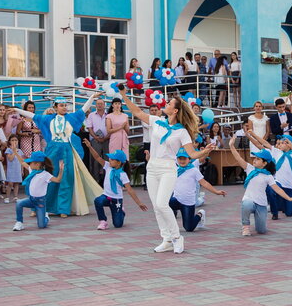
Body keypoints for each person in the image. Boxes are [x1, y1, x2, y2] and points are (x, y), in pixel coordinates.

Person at [120, 92, 208, 253]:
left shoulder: (182, 131)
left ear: (175, 110)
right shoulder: (157, 121)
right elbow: (137, 112)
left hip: (168, 169)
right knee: (156, 206)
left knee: (162, 204)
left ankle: (177, 237)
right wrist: (123, 95)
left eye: (169, 103)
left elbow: (192, 154)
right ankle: (166, 239)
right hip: (152, 167)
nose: (166, 104)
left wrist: (205, 151)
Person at [12, 95, 102, 219]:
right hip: (52, 150)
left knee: (66, 178)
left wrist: (91, 97)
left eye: (65, 105)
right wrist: (16, 110)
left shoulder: (71, 117)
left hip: (66, 150)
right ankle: (38, 206)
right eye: (61, 105)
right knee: (45, 177)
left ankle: (63, 208)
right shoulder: (48, 118)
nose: (64, 107)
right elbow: (32, 115)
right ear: (55, 107)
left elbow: (83, 109)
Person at [228, 140, 292, 236]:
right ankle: (245, 227)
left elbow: (277, 189)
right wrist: (231, 146)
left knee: (261, 230)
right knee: (246, 204)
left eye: (258, 159)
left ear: (264, 163)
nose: (254, 160)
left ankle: (259, 221)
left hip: (261, 203)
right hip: (249, 199)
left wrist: (288, 198)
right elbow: (238, 158)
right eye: (255, 158)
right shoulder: (250, 169)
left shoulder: (268, 176)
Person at [83, 145, 148, 230]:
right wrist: (90, 147)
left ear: (119, 162)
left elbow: (130, 190)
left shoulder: (122, 174)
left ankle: (121, 211)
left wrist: (139, 203)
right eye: (110, 158)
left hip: (117, 200)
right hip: (106, 196)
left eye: (112, 159)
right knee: (98, 201)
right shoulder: (108, 166)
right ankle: (103, 221)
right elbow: (97, 157)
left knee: (118, 224)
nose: (109, 160)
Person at [245, 128, 292, 220]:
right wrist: (252, 134)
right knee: (271, 191)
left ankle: (283, 206)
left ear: (290, 144)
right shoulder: (276, 152)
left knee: (289, 212)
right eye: (279, 143)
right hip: (277, 182)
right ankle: (274, 212)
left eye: (282, 143)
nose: (279, 145)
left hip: (289, 186)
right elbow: (262, 144)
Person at [170, 150, 225, 232]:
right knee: (163, 203)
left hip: (188, 202)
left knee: (189, 228)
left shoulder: (194, 170)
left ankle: (200, 214)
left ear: (189, 159)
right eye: (180, 159)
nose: (182, 161)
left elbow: (204, 183)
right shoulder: (174, 168)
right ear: (176, 159)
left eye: (184, 159)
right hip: (176, 200)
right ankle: (169, 225)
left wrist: (216, 192)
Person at [13, 153, 65, 231]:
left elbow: (58, 180)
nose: (29, 164)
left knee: (41, 225)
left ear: (37, 164)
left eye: (31, 162)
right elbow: (22, 162)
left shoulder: (45, 174)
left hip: (40, 202)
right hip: (31, 199)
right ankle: (19, 222)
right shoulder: (32, 171)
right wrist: (15, 152)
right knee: (19, 203)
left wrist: (61, 170)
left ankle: (46, 217)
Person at [85, 98, 110, 179]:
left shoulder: (108, 115)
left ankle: (106, 179)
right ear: (95, 105)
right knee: (95, 160)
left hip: (107, 140)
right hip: (95, 140)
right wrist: (95, 137)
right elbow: (89, 128)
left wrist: (106, 137)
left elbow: (111, 128)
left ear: (104, 105)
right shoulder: (91, 115)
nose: (99, 105)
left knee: (107, 159)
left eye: (101, 104)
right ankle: (96, 180)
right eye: (98, 104)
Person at [4, 134, 24, 203]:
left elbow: (21, 161)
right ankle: (7, 197)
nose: (14, 142)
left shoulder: (20, 151)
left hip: (17, 169)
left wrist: (22, 170)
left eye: (16, 140)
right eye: (12, 140)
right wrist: (14, 151)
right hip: (11, 169)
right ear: (9, 141)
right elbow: (10, 159)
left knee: (16, 183)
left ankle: (15, 196)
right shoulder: (8, 150)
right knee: (10, 183)